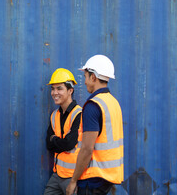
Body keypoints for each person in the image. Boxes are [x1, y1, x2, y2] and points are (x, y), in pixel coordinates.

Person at [66, 55, 124, 195]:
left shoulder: (93, 106)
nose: (84, 82)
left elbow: (87, 149)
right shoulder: (113, 102)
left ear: (93, 77)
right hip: (107, 177)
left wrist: (73, 181)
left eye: (85, 77)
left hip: (92, 180)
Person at [44, 68, 83, 195]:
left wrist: (54, 139)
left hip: (74, 177)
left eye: (59, 88)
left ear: (70, 90)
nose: (55, 93)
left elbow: (69, 144)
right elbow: (48, 145)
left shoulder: (79, 114)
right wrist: (57, 141)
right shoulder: (54, 115)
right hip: (57, 174)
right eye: (53, 89)